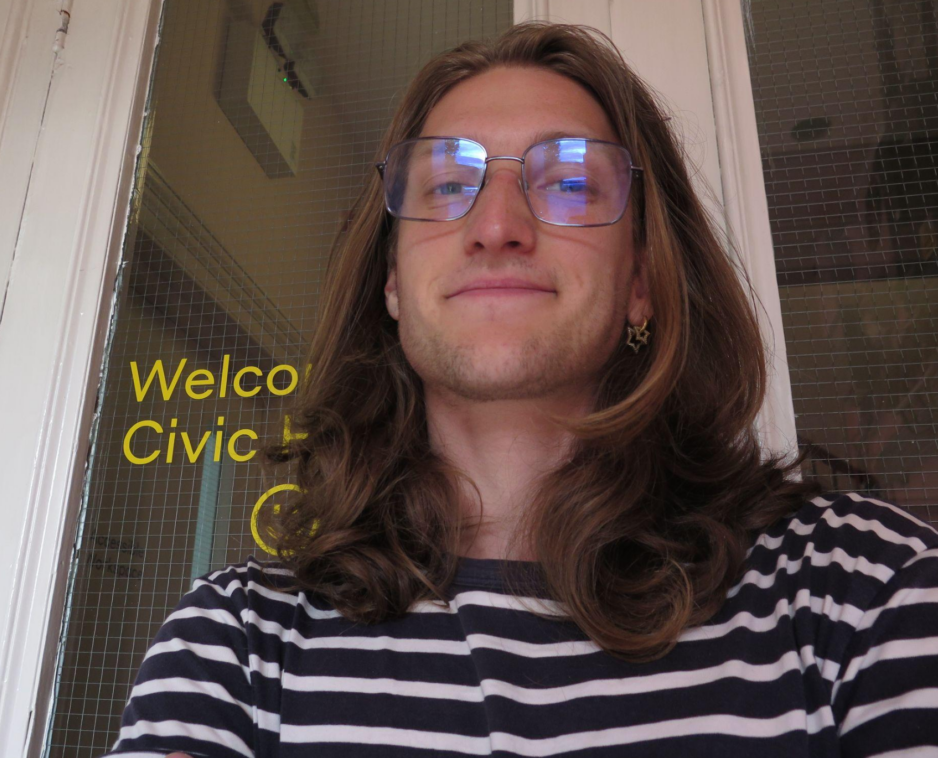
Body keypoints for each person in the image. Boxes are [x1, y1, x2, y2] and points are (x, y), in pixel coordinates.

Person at [101, 22, 938, 758]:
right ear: (393, 281)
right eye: (445, 183)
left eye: (571, 181)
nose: (496, 225)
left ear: (643, 278)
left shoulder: (863, 595)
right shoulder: (238, 646)